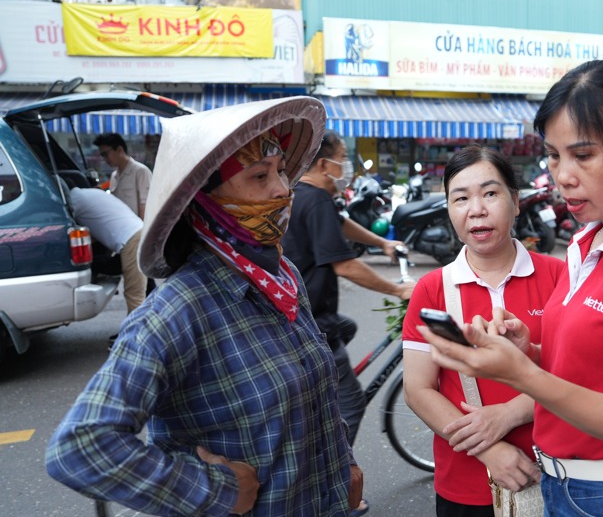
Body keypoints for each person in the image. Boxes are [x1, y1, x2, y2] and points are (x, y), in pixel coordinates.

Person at [421, 60, 603, 516]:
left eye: (583, 155)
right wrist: (530, 351)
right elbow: (593, 368)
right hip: (563, 484)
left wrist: (521, 375)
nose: (563, 175)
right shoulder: (585, 241)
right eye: (554, 155)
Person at [46, 97, 363, 516]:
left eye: (283, 171)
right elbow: (80, 447)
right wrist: (212, 489)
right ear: (206, 199)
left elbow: (311, 394)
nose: (282, 189)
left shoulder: (281, 276)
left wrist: (343, 468)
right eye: (259, 176)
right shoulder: (177, 311)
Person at [401, 145, 565, 516]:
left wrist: (509, 414)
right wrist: (490, 450)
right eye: (461, 198)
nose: (476, 209)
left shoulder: (559, 277)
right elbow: (418, 389)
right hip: (463, 483)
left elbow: (578, 374)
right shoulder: (432, 289)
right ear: (449, 208)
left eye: (490, 193)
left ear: (516, 200)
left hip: (554, 473)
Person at [282, 130, 413, 517]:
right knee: (351, 403)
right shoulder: (317, 199)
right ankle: (333, 488)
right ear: (324, 164)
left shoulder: (301, 196)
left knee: (348, 329)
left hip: (302, 315)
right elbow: (344, 263)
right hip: (311, 324)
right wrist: (397, 290)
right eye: (342, 158)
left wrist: (383, 243)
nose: (346, 168)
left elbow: (340, 225)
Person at [61, 178, 147, 316]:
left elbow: (64, 226)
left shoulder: (74, 201)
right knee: (145, 293)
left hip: (131, 240)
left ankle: (135, 335)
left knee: (135, 296)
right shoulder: (91, 194)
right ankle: (137, 331)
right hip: (138, 233)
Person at [94, 132, 151, 219]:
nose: (105, 159)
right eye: (102, 156)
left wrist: (143, 231)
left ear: (119, 150)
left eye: (106, 154)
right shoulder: (114, 176)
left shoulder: (140, 171)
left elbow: (146, 206)